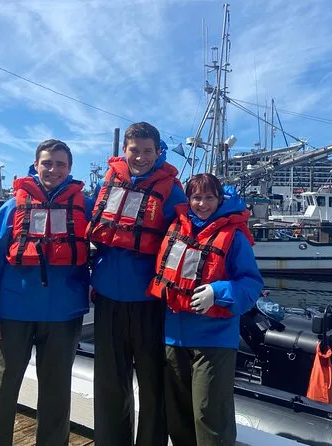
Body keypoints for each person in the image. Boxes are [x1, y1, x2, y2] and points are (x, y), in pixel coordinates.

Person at [0, 139, 92, 446]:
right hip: (13, 314)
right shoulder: (12, 207)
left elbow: (113, 242)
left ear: (70, 168)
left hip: (64, 315)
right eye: (47, 163)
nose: (53, 170)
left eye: (60, 164)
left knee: (56, 392)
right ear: (36, 165)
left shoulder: (85, 206)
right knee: (1, 387)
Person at [87, 122, 187, 445]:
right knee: (109, 382)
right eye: (134, 150)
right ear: (124, 151)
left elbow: (189, 238)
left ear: (158, 152)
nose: (140, 157)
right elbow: (89, 221)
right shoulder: (107, 183)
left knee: (152, 384)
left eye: (147, 151)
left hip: (149, 303)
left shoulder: (172, 191)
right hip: (108, 299)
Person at [148, 173, 264, 446]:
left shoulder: (234, 236)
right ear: (188, 199)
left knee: (209, 413)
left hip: (214, 340)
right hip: (174, 337)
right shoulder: (176, 227)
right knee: (178, 415)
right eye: (196, 197)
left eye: (209, 197)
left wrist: (218, 292)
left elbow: (251, 283)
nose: (202, 204)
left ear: (220, 199)